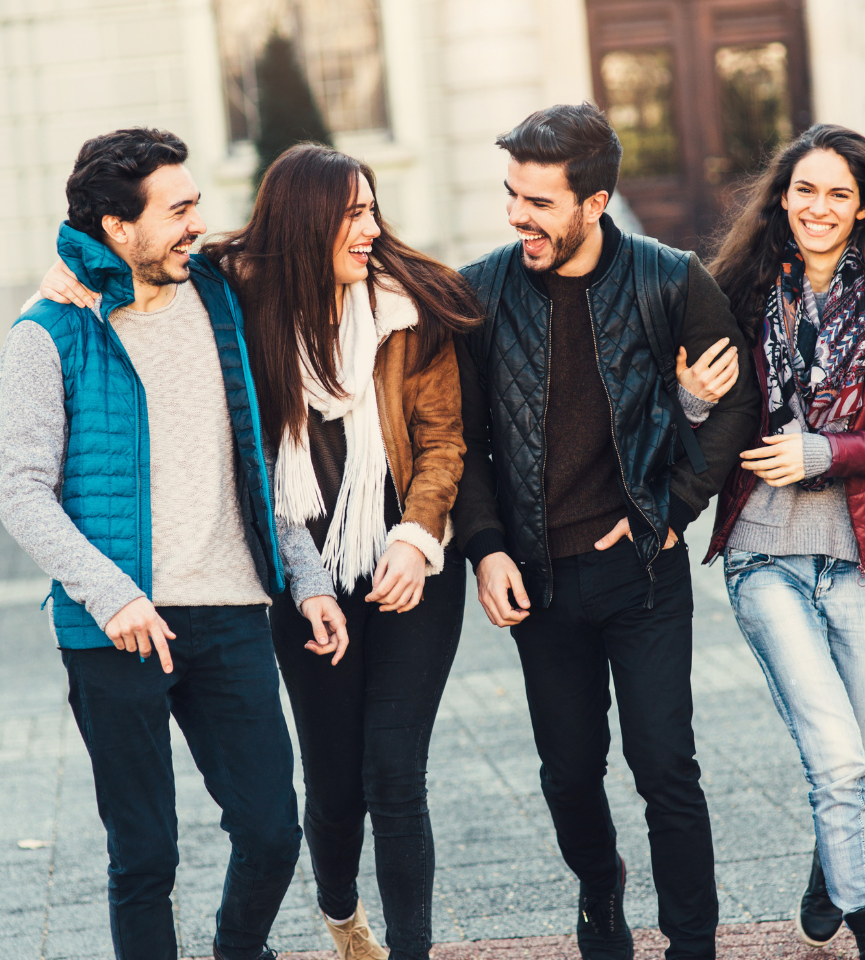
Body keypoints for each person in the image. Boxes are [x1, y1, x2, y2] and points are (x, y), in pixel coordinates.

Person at [46, 142, 482, 960]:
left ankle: (337, 946)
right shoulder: (169, 309)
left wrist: (412, 539)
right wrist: (69, 279)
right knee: (231, 819)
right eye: (351, 214)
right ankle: (339, 913)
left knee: (348, 796)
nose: (371, 228)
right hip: (208, 597)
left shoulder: (374, 306)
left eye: (372, 207)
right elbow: (130, 264)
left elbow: (429, 442)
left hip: (337, 578)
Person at [0, 128, 348, 960]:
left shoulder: (221, 300)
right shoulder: (48, 333)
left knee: (271, 830)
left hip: (230, 611)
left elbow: (258, 457)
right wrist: (110, 593)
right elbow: (20, 490)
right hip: (117, 630)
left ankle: (237, 951)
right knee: (145, 856)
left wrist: (308, 578)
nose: (198, 223)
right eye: (180, 208)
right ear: (118, 228)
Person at [451, 102, 760, 960]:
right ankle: (599, 887)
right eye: (512, 194)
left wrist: (674, 512)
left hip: (643, 573)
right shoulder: (480, 292)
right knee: (569, 773)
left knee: (666, 767)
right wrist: (485, 548)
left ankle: (692, 941)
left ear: (594, 202)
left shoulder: (669, 280)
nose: (518, 216)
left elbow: (736, 401)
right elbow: (462, 441)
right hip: (541, 582)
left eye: (539, 202)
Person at [705, 124, 865, 960]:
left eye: (837, 194)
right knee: (838, 765)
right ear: (782, 198)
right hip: (765, 555)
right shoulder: (738, 294)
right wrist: (693, 402)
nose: (818, 207)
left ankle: (830, 872)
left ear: (862, 208)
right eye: (805, 190)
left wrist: (826, 453)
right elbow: (693, 425)